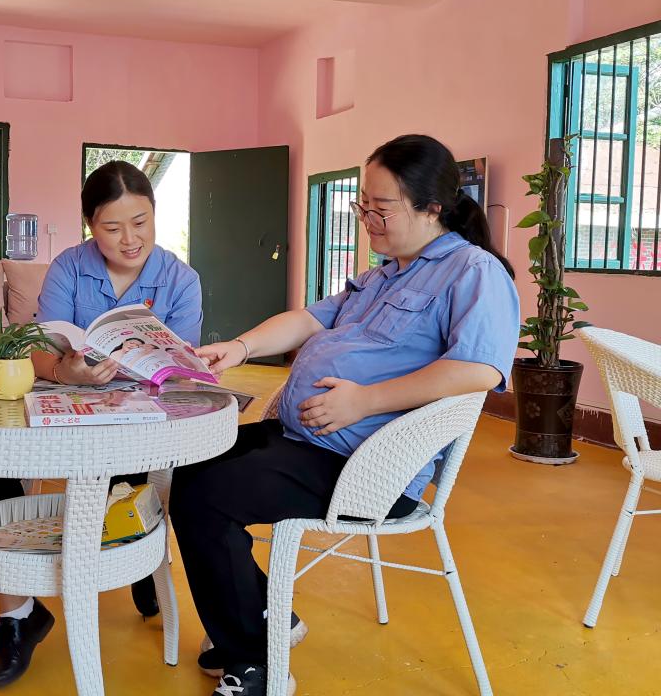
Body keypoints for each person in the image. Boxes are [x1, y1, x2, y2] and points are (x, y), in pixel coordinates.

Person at [169, 135, 520, 696]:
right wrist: (238, 347)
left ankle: (256, 661)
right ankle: (261, 615)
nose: (368, 221)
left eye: (382, 209)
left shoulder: (473, 272)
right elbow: (310, 319)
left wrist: (364, 400)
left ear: (431, 207)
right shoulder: (385, 273)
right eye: (364, 206)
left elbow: (478, 369)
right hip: (309, 440)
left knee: (208, 496)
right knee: (190, 465)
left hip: (366, 466)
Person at [0, 160, 204, 689]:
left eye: (140, 223)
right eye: (112, 228)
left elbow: (180, 369)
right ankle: (17, 616)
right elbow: (38, 352)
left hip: (138, 414)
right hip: (63, 405)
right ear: (90, 226)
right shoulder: (69, 268)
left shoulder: (180, 280)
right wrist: (64, 370)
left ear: (155, 214)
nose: (129, 239)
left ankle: (140, 558)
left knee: (145, 477)